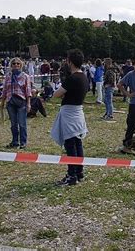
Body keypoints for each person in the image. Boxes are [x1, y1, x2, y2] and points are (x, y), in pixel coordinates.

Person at [51, 49, 89, 186]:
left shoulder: (72, 78)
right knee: (78, 144)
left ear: (70, 62)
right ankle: (79, 172)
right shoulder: (84, 77)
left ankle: (72, 175)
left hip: (69, 114)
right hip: (78, 113)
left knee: (70, 145)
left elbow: (57, 94)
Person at [0, 57, 32, 149]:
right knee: (13, 124)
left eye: (18, 63)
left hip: (21, 101)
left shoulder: (25, 76)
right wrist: (2, 102)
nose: (16, 65)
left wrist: (29, 103)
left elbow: (28, 90)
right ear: (11, 65)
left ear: (21, 65)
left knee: (22, 124)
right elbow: (5, 90)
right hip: (10, 101)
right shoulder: (8, 76)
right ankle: (15, 142)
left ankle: (23, 142)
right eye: (14, 63)